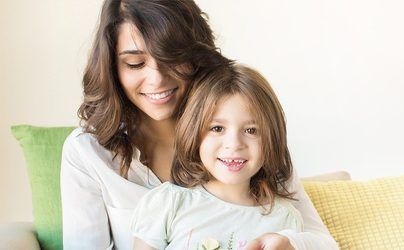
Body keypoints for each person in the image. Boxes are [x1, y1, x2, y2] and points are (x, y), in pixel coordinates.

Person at [60, 0, 338, 249]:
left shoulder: (245, 144)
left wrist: (289, 242)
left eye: (171, 58)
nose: (157, 79)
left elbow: (322, 241)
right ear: (112, 68)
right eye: (135, 63)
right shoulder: (87, 152)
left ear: (196, 57)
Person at [132, 63, 303, 250]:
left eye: (251, 130)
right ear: (195, 135)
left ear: (272, 138)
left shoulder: (285, 220)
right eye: (217, 128)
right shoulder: (168, 204)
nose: (234, 143)